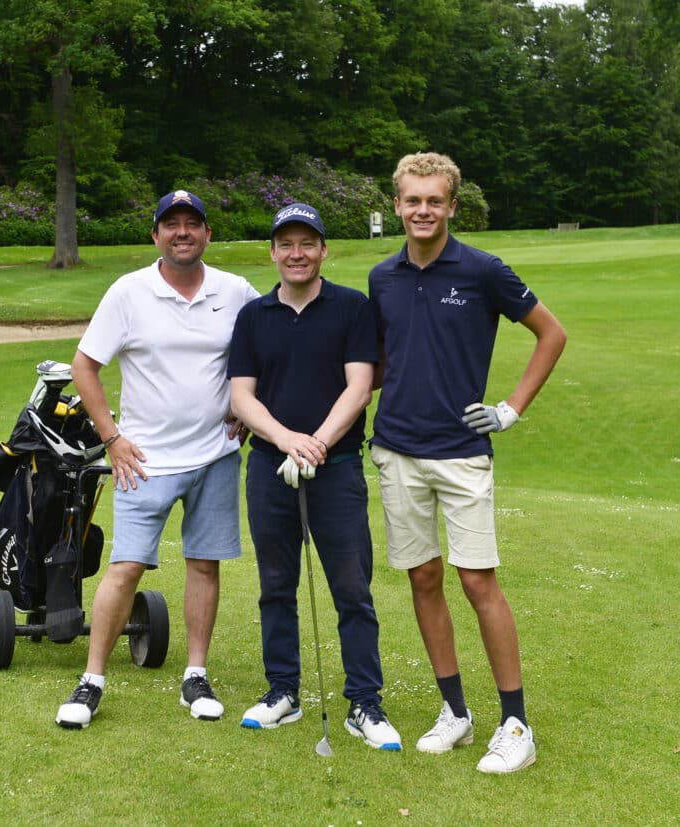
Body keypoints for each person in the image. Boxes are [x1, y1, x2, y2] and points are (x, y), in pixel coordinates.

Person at [367, 152, 567, 773]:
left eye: (435, 200)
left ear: (452, 206)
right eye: (412, 200)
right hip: (396, 450)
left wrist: (510, 409)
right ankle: (455, 711)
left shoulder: (483, 270)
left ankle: (516, 724)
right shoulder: (382, 277)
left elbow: (552, 333)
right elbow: (381, 363)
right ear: (397, 205)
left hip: (460, 454)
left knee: (478, 581)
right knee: (423, 578)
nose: (423, 210)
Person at [55, 190, 259, 730]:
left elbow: (270, 346)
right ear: (156, 235)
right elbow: (84, 366)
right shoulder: (129, 292)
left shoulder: (235, 291)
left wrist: (249, 407)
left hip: (215, 455)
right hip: (143, 459)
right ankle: (92, 679)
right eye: (172, 224)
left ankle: (196, 674)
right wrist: (112, 438)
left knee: (204, 563)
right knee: (125, 568)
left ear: (207, 234)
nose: (182, 232)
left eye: (193, 224)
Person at [227, 204, 400, 750]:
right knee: (276, 586)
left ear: (324, 250)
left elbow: (359, 387)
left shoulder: (351, 308)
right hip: (269, 468)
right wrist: (287, 440)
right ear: (273, 252)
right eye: (286, 244)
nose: (296, 254)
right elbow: (241, 396)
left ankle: (364, 703)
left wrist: (316, 443)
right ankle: (283, 691)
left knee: (352, 590)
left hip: (337, 470)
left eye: (307, 244)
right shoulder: (253, 316)